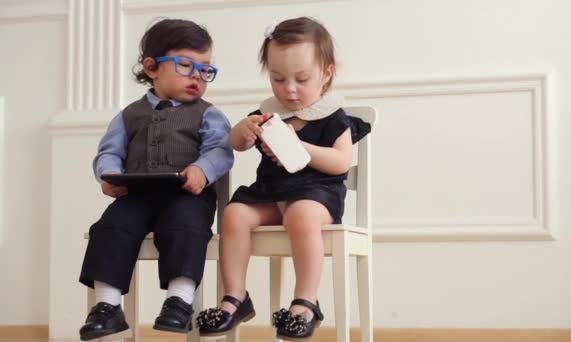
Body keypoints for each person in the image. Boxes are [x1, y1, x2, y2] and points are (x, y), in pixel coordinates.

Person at [196, 17, 370, 341]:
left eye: (302, 79)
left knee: (300, 215)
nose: (289, 89)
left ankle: (306, 301)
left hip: (317, 195)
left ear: (326, 73)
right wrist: (243, 131)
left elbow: (341, 161)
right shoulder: (269, 114)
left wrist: (301, 148)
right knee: (234, 213)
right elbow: (234, 144)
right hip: (269, 193)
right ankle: (235, 297)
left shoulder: (333, 116)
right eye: (278, 78)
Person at [77, 18, 233, 341]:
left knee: (186, 226)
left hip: (187, 196)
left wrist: (202, 170)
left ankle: (179, 300)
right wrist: (107, 176)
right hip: (137, 195)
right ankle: (107, 306)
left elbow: (221, 150)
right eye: (186, 65)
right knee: (109, 227)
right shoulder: (129, 115)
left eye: (205, 70)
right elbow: (108, 152)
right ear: (151, 67)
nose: (197, 77)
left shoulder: (208, 113)